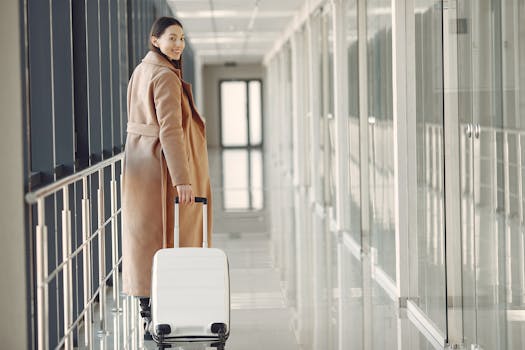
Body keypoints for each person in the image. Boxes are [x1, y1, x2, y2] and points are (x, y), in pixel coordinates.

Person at [121, 16, 213, 337]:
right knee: (167, 240)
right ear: (155, 40)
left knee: (144, 239)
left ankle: (148, 313)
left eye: (182, 38)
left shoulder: (141, 71)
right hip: (160, 168)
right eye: (172, 37)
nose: (178, 44)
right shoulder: (164, 77)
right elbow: (170, 131)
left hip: (139, 164)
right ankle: (162, 311)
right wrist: (182, 179)